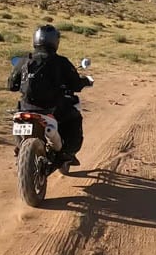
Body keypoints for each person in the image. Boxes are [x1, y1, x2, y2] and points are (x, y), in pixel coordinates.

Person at [7, 24, 93, 165]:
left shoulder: (23, 61)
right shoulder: (61, 62)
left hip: (25, 108)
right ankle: (66, 153)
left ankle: (20, 146)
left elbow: (11, 86)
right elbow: (76, 84)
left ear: (35, 40)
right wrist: (85, 82)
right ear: (55, 42)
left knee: (17, 117)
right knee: (74, 117)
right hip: (52, 108)